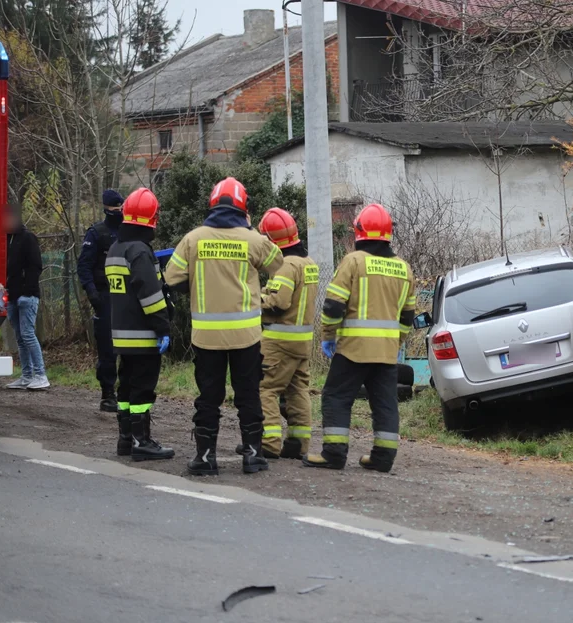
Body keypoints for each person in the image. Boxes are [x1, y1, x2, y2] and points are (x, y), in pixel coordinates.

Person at [164, 177, 284, 476]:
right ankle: (253, 457)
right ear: (243, 208)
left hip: (207, 337)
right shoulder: (253, 240)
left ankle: (205, 459)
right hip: (246, 335)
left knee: (209, 397)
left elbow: (172, 278)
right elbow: (279, 264)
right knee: (248, 395)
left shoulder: (193, 239)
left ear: (212, 204)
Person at [304, 203, 416, 473]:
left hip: (353, 349)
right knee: (385, 403)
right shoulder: (404, 269)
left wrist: (328, 336)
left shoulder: (353, 262)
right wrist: (396, 342)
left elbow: (332, 306)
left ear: (359, 232)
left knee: (336, 397)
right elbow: (408, 317)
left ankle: (334, 453)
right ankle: (383, 458)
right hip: (387, 353)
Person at [235, 208, 318, 460]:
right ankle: (299, 443)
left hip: (279, 340)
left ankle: (269, 442)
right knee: (298, 390)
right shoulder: (308, 263)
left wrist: (251, 299)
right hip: (303, 341)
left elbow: (279, 301)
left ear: (272, 240)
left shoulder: (285, 265)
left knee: (265, 388)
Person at [106, 188, 174, 461]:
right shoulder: (140, 251)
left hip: (122, 336)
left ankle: (125, 439)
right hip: (143, 335)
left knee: (125, 388)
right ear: (151, 219)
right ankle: (141, 441)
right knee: (143, 390)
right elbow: (151, 295)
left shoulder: (115, 248)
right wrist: (164, 327)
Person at [77, 189, 125, 411]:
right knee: (107, 349)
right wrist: (92, 293)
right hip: (104, 297)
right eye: (115, 208)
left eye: (121, 207)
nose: (119, 211)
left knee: (127, 347)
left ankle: (126, 391)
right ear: (106, 208)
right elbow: (84, 266)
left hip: (125, 297)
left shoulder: (128, 232)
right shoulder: (96, 233)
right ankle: (108, 394)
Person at [3, 204, 49, 391]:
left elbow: (35, 266)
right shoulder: (6, 240)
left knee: (28, 334)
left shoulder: (28, 238)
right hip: (12, 295)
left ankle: (41, 374)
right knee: (20, 337)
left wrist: (27, 291)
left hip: (26, 296)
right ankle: (27, 375)